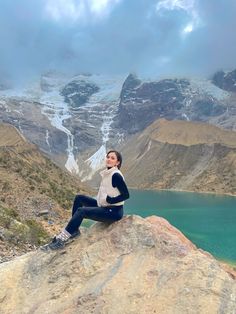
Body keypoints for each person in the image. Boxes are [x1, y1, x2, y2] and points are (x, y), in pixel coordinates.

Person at [42, 150, 129, 250]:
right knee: (79, 198)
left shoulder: (115, 175)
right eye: (108, 157)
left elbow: (126, 195)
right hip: (104, 206)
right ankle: (74, 230)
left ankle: (61, 240)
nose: (109, 159)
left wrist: (111, 200)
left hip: (113, 212)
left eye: (112, 158)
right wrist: (106, 201)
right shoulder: (108, 173)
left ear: (117, 162)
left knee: (81, 211)